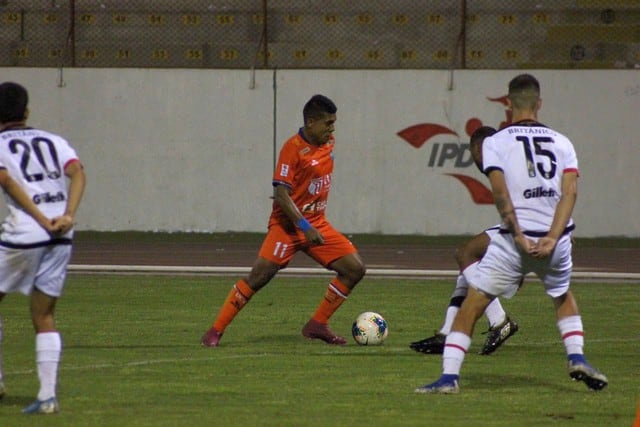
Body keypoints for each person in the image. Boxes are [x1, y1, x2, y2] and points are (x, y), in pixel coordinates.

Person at [415, 74, 607, 394]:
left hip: (514, 241)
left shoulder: (496, 142)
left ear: (508, 103)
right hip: (555, 240)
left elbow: (501, 193)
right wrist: (552, 237)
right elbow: (569, 193)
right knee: (562, 296)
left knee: (472, 305)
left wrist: (518, 234)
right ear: (539, 104)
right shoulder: (563, 142)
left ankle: (449, 378)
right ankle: (577, 357)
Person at [201, 94, 366, 347]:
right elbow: (280, 193)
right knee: (258, 277)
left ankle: (317, 325)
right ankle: (215, 331)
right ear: (310, 122)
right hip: (288, 227)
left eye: (334, 123)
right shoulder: (292, 149)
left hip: (317, 223)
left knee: (354, 269)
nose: (332, 129)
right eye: (328, 123)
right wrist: (303, 226)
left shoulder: (328, 142)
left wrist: (312, 223)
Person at [0, 82, 86, 413]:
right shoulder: (54, 140)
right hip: (60, 235)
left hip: (25, 234)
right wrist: (68, 216)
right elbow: (78, 173)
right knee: (44, 315)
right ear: (26, 111)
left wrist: (38, 217)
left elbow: (6, 180)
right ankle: (47, 396)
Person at [410, 126, 520, 356]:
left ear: (482, 147)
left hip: (528, 228)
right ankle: (447, 333)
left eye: (473, 152)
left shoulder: (504, 165)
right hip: (527, 225)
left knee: (465, 253)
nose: (474, 159)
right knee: (467, 269)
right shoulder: (509, 161)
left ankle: (500, 322)